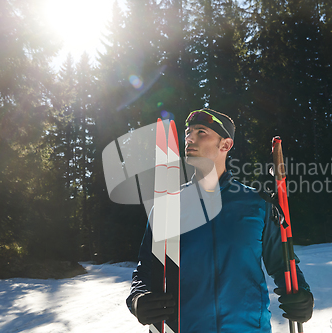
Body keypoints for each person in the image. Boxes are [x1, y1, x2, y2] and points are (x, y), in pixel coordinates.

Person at [127, 109, 313, 332]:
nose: (190, 138)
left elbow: (283, 263)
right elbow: (147, 268)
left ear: (225, 145)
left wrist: (301, 295)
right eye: (188, 133)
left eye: (201, 132)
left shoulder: (257, 204)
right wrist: (138, 299)